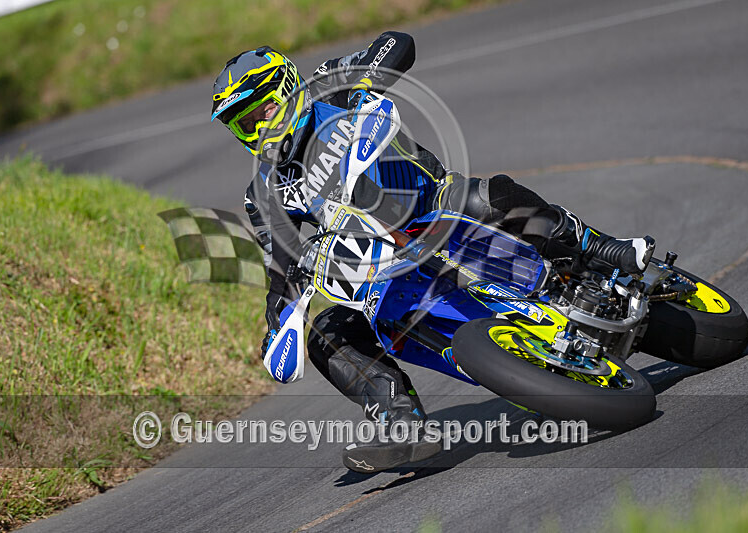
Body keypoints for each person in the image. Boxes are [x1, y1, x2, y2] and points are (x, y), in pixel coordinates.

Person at [210, 33, 655, 472]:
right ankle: (398, 419)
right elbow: (281, 265)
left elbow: (396, 43)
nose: (256, 129)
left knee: (483, 195)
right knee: (327, 328)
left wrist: (368, 79)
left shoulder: (331, 86)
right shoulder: (264, 192)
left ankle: (599, 250)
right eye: (243, 124)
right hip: (382, 259)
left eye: (260, 112)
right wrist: (277, 323)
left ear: (285, 88)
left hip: (431, 205)